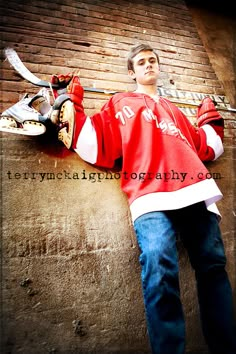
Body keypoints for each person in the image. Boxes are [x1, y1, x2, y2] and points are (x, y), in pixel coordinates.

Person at [2, 43, 236, 354]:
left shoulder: (177, 112)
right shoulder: (120, 102)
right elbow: (96, 143)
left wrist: (209, 122)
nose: (149, 65)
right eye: (141, 62)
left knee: (213, 268)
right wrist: (69, 104)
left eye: (152, 60)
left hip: (196, 189)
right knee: (159, 266)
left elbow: (207, 147)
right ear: (132, 72)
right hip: (148, 194)